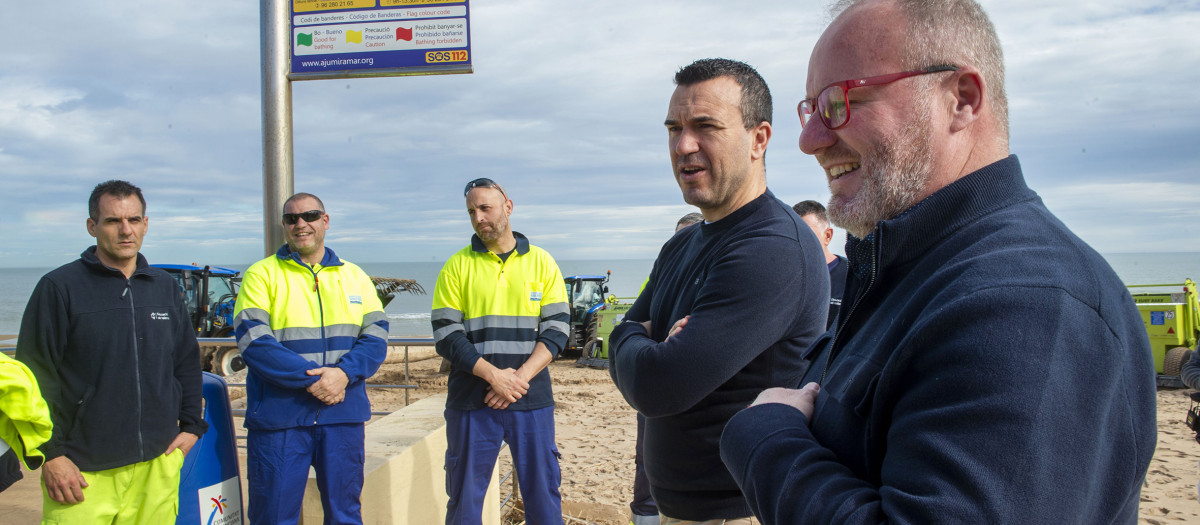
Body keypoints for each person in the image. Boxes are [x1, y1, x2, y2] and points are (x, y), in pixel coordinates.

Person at [718, 1, 1157, 523]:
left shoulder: (1027, 303)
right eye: (811, 109)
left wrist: (764, 435)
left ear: (962, 99)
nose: (811, 139)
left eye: (840, 102)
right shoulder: (909, 269)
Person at [609, 58, 829, 524]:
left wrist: (629, 338)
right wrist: (634, 338)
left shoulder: (773, 248)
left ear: (759, 139)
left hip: (738, 510)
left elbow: (656, 386)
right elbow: (634, 346)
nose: (684, 145)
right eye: (674, 128)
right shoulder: (683, 243)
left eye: (705, 126)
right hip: (677, 509)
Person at [16, 179, 208, 522]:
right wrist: (51, 455)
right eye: (112, 221)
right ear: (92, 226)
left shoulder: (164, 287)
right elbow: (34, 377)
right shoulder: (59, 288)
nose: (125, 230)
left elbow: (185, 362)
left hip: (157, 463)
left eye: (134, 220)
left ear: (145, 224)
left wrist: (193, 425)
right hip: (81, 471)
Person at [233, 192, 389, 524]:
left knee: (345, 514)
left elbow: (376, 337)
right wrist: (320, 379)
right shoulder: (261, 275)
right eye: (292, 219)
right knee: (273, 516)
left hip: (342, 417)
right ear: (284, 226)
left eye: (310, 216)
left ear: (325, 221)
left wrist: (343, 375)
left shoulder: (355, 276)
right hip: (280, 421)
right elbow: (254, 341)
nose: (301, 224)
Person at [431, 178, 570, 525]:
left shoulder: (542, 262)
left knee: (543, 498)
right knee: (464, 502)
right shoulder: (456, 266)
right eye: (471, 212)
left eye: (485, 208)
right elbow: (446, 334)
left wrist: (517, 379)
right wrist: (494, 376)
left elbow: (558, 330)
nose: (478, 218)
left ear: (508, 206)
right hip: (471, 401)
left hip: (530, 397)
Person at [628, 211, 704, 525]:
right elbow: (631, 327)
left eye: (691, 241)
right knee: (647, 461)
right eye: (677, 242)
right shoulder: (659, 278)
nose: (683, 249)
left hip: (699, 396)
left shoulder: (718, 277)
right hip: (656, 391)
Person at [793, 200, 847, 329]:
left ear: (827, 236)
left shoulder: (853, 276)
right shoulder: (786, 278)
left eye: (807, 234)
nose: (798, 240)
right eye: (792, 233)